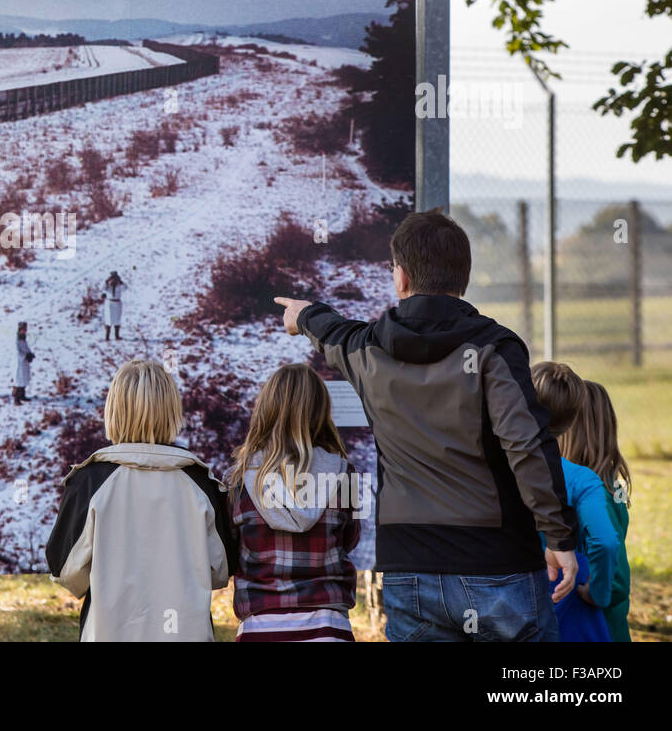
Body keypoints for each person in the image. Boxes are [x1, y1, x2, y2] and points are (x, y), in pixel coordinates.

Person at [274, 208, 577, 642]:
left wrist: (304, 316)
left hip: (409, 571)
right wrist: (559, 536)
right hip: (499, 567)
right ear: (464, 278)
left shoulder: (365, 349)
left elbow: (331, 330)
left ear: (400, 278)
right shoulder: (495, 348)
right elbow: (526, 445)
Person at [46, 359, 235, 641]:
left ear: (114, 410)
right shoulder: (201, 483)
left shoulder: (90, 482)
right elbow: (220, 571)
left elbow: (66, 570)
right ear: (172, 410)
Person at [228, 364, 362, 642]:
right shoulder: (344, 474)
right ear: (321, 412)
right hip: (329, 627)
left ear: (265, 409)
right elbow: (351, 540)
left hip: (260, 627)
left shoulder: (239, 479)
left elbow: (231, 550)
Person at [531, 363, 625, 641]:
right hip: (570, 604)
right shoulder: (585, 481)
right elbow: (607, 542)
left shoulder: (489, 470)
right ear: (570, 422)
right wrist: (597, 592)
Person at [574, 380, 632, 641]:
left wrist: (594, 592)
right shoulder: (606, 482)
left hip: (599, 629)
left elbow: (617, 578)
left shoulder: (596, 492)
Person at [13, 321, 34, 405]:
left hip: (24, 363)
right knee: (18, 380)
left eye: (25, 330)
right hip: (19, 363)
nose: (24, 331)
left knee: (24, 379)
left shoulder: (23, 339)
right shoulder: (16, 340)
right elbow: (17, 352)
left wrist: (30, 354)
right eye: (23, 330)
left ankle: (22, 395)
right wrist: (25, 356)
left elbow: (26, 348)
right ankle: (16, 399)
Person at [101, 271, 126, 341]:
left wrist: (120, 282)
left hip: (117, 302)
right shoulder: (107, 286)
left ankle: (117, 335)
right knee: (109, 319)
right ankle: (107, 336)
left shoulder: (119, 285)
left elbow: (125, 288)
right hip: (109, 303)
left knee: (117, 319)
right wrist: (107, 281)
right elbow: (102, 288)